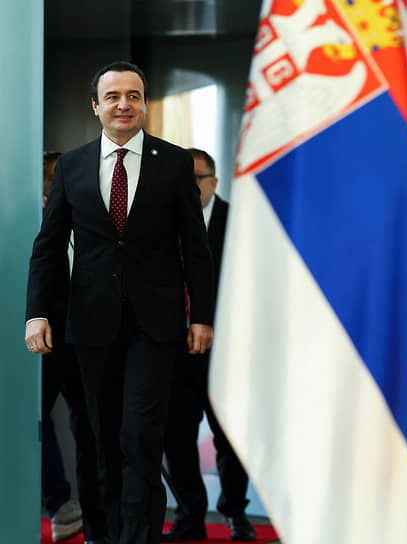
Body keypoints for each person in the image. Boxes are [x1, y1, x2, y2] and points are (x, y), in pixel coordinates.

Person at [25, 61, 214, 544]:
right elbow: (49, 246)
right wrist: (37, 313)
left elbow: (195, 246)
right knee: (102, 437)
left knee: (140, 435)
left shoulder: (174, 163)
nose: (123, 104)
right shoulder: (72, 165)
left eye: (133, 95)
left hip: (155, 325)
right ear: (96, 106)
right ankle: (106, 534)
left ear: (144, 104)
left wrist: (201, 316)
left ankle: (138, 537)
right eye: (113, 96)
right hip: (91, 323)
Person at [161, 149, 256, 542]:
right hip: (174, 348)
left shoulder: (240, 223)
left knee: (231, 436)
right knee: (175, 437)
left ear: (214, 182)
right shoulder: (161, 222)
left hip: (227, 350)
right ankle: (190, 514)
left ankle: (234, 511)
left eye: (195, 179)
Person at [40, 151, 108, 543]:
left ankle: (96, 524)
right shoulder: (27, 217)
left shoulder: (92, 215)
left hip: (87, 340)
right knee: (32, 422)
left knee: (90, 429)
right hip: (42, 341)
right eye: (56, 177)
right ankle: (59, 504)